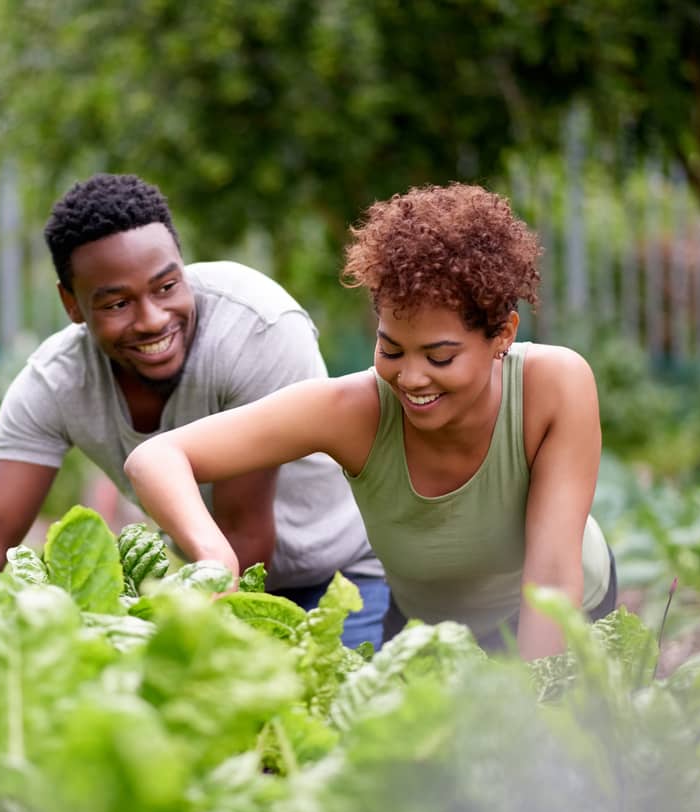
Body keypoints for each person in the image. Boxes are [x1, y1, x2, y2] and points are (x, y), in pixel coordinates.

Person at [0, 173, 388, 647]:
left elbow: (244, 541)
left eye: (167, 286)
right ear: (73, 306)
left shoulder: (256, 328)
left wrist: (150, 643)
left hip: (343, 580)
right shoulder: (57, 380)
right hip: (209, 585)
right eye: (116, 303)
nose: (152, 318)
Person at [124, 183, 616, 659]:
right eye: (392, 348)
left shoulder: (554, 385)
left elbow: (550, 581)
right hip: (431, 636)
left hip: (569, 621)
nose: (412, 378)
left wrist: (533, 709)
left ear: (503, 334)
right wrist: (216, 555)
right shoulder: (355, 411)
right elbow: (156, 458)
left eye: (440, 357)